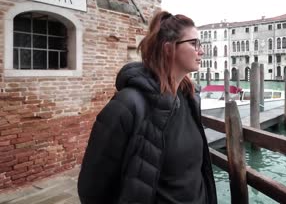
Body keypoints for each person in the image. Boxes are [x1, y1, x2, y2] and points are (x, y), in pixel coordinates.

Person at [78, 11, 217, 204]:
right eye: (194, 44)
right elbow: (92, 189)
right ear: (169, 49)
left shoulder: (190, 99)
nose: (201, 51)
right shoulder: (126, 105)